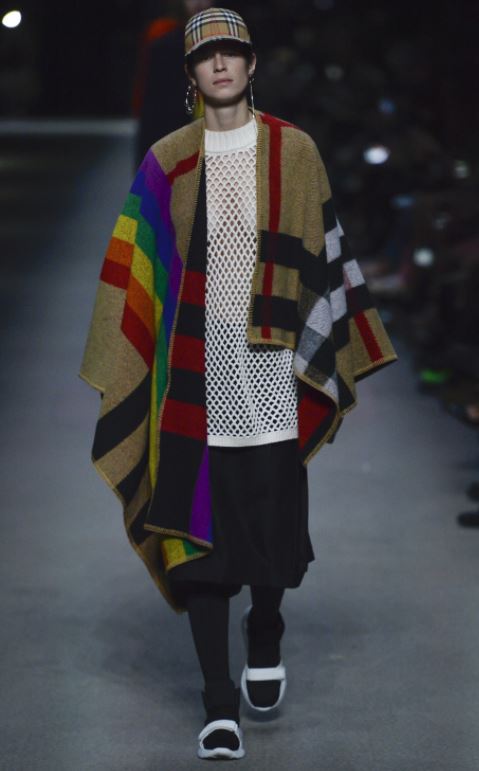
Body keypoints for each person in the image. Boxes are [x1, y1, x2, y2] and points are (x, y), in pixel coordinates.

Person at [79, 7, 398, 761]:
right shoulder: (167, 159)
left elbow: (321, 257)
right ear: (190, 75)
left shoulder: (295, 150)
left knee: (269, 533)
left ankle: (266, 625)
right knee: (196, 540)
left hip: (272, 371)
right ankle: (217, 703)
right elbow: (138, 266)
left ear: (251, 65)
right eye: (206, 56)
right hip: (192, 372)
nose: (219, 64)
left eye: (232, 52)